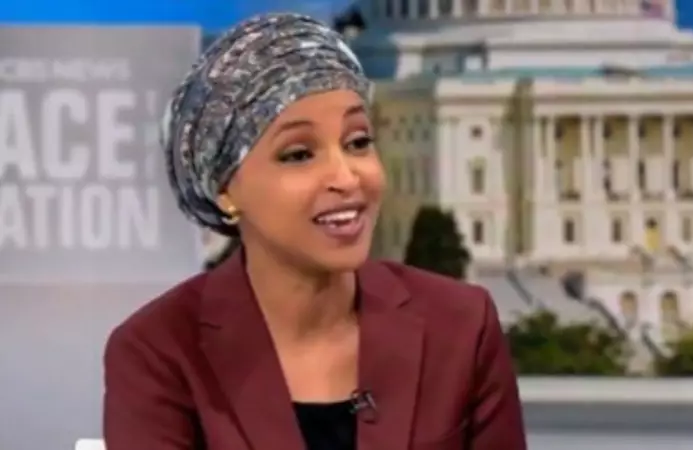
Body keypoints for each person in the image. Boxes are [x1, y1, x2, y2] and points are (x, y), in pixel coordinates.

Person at [102, 12, 526, 450]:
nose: (346, 177)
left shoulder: (460, 327)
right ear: (225, 189)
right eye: (299, 154)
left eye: (358, 142)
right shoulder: (159, 352)